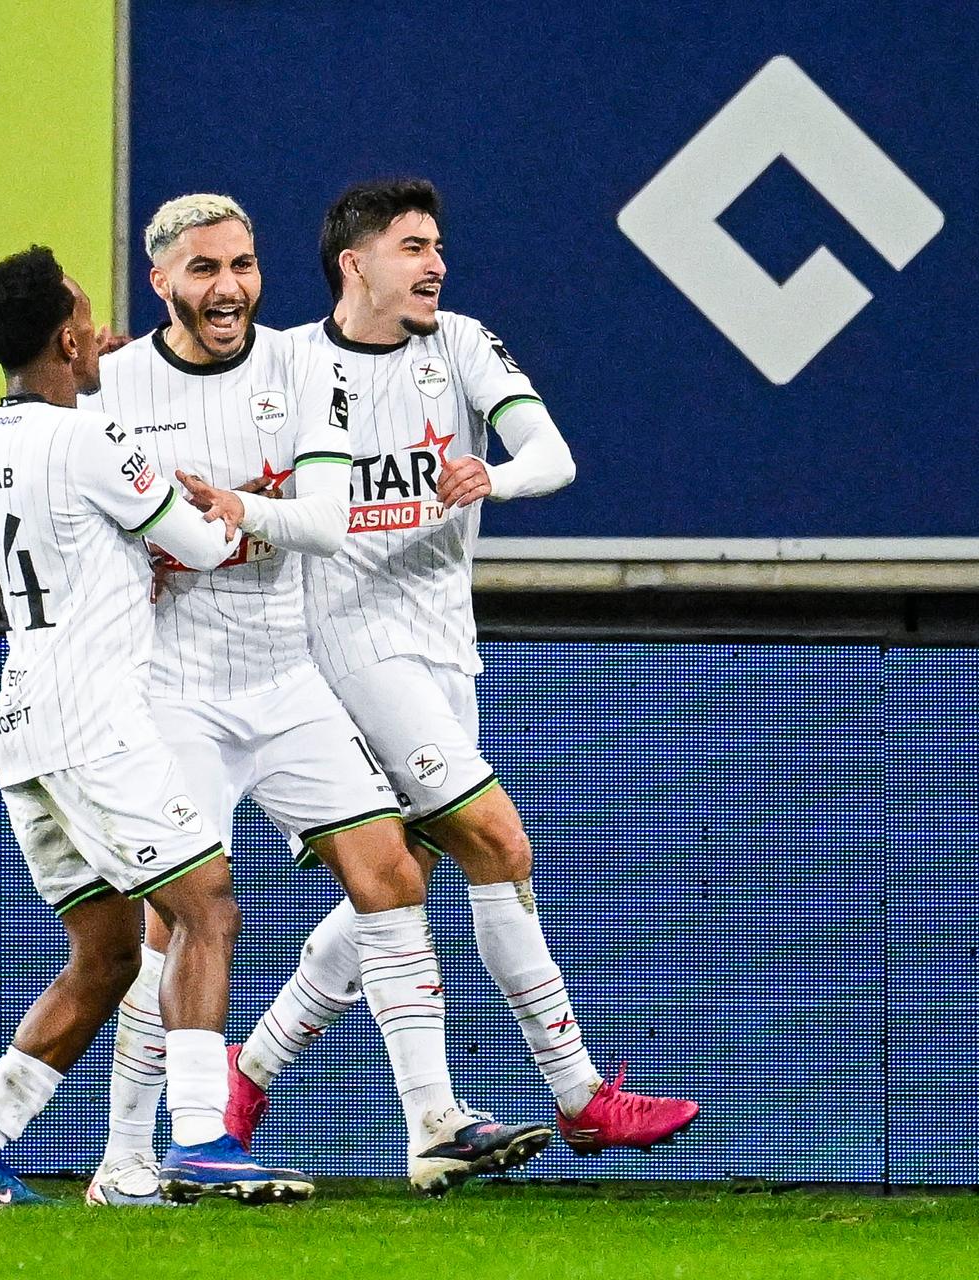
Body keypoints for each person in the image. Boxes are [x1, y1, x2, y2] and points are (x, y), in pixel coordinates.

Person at [0, 198, 551, 1199]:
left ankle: (435, 1118)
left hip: (287, 679)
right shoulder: (113, 384)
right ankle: (127, 1156)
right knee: (175, 922)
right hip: (172, 687)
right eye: (204, 269)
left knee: (391, 873)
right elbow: (49, 501)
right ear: (161, 282)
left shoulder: (304, 367)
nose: (229, 287)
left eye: (243, 264)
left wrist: (240, 511)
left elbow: (330, 522)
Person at [227, 177, 700, 1158]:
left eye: (438, 244)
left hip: (445, 649)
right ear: (355, 264)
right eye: (412, 245)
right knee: (499, 839)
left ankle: (251, 1070)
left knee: (400, 875)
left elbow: (553, 454)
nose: (435, 262)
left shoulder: (462, 344)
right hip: (349, 648)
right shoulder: (290, 367)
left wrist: (498, 475)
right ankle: (577, 1090)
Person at [0, 245, 313, 1208]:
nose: (102, 334)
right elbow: (204, 541)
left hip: (22, 723)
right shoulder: (90, 441)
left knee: (103, 957)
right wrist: (230, 511)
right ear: (62, 335)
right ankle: (199, 1143)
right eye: (88, 318)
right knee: (206, 906)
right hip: (95, 718)